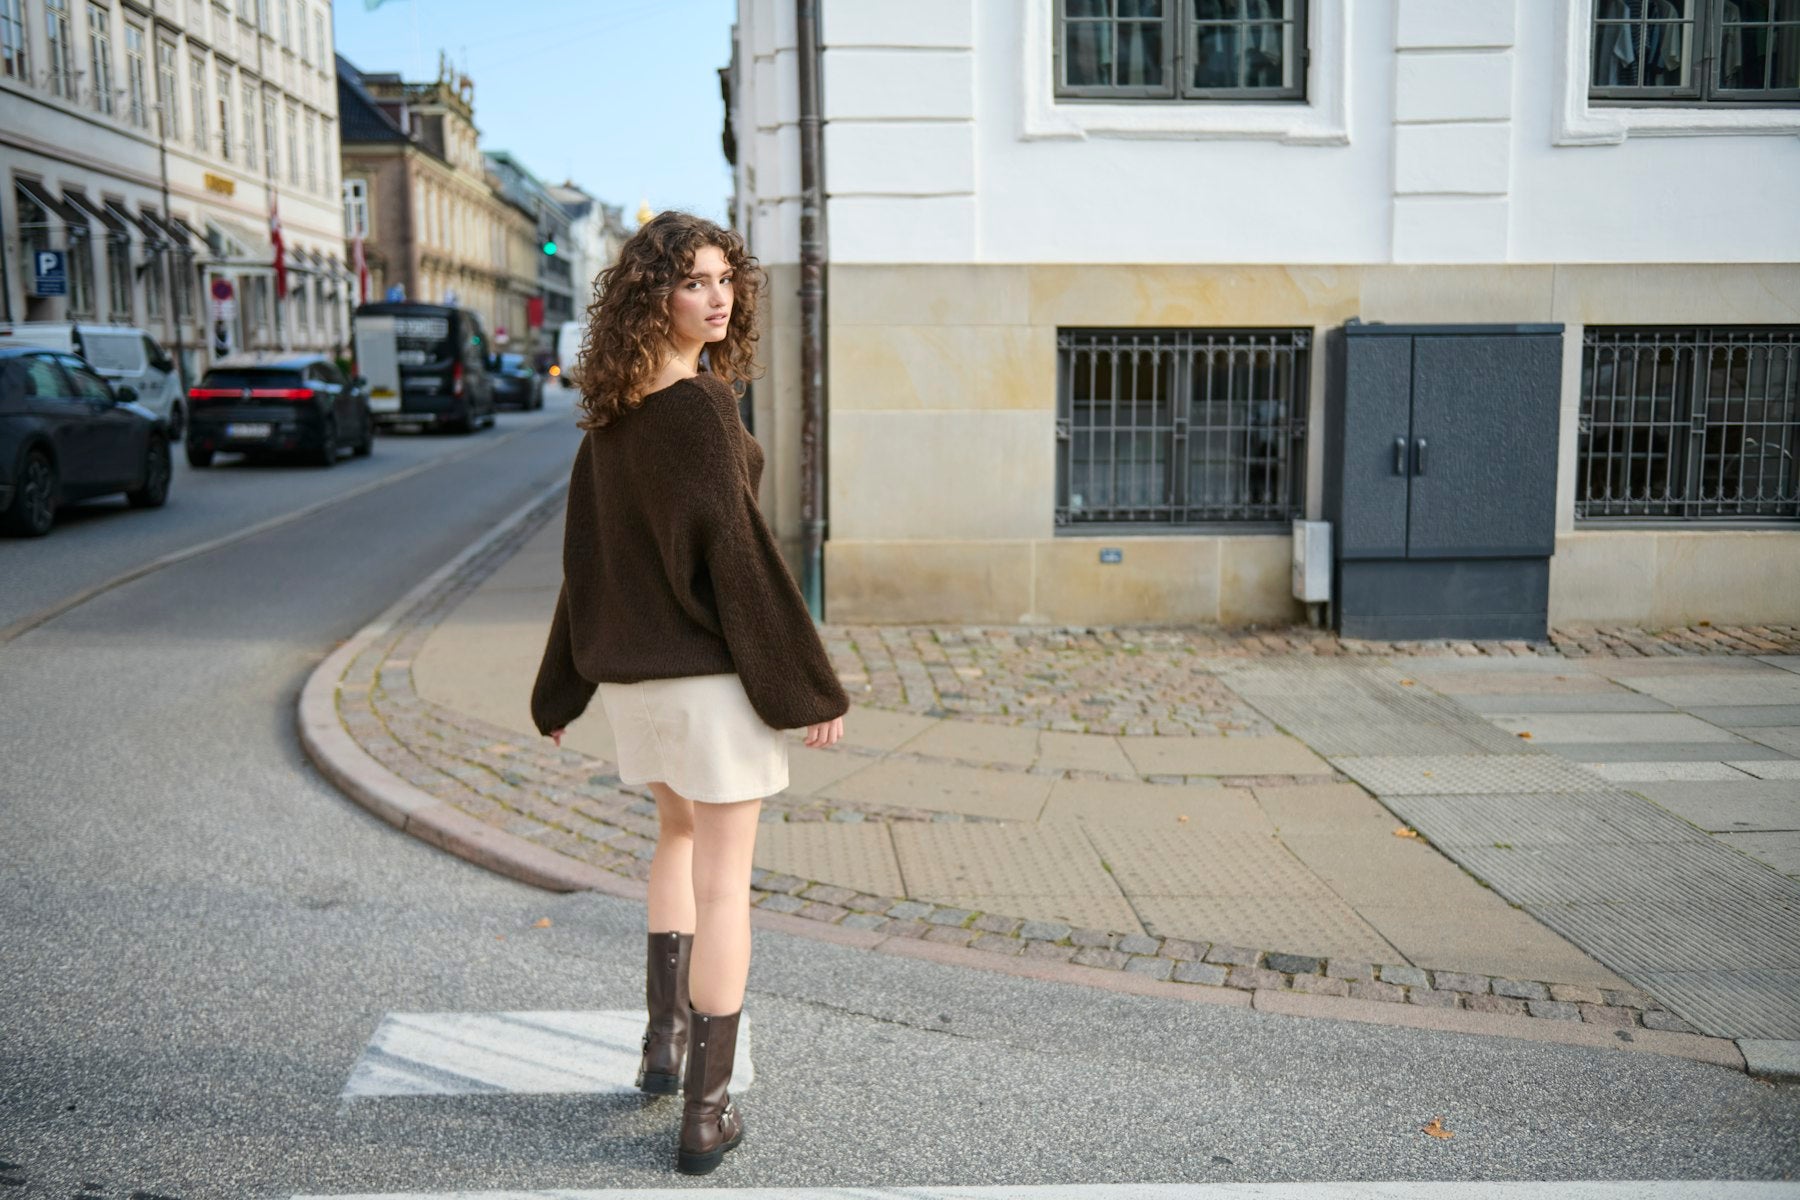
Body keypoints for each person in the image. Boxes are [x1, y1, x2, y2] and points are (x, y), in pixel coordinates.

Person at [529, 210, 848, 1176]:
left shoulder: (611, 417)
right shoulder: (700, 409)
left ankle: (663, 1053)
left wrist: (560, 689)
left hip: (641, 691)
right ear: (651, 297)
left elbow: (587, 565)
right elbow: (742, 562)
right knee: (724, 883)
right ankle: (705, 1118)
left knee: (675, 841)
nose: (717, 297)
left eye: (723, 279)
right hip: (709, 689)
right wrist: (809, 687)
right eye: (693, 282)